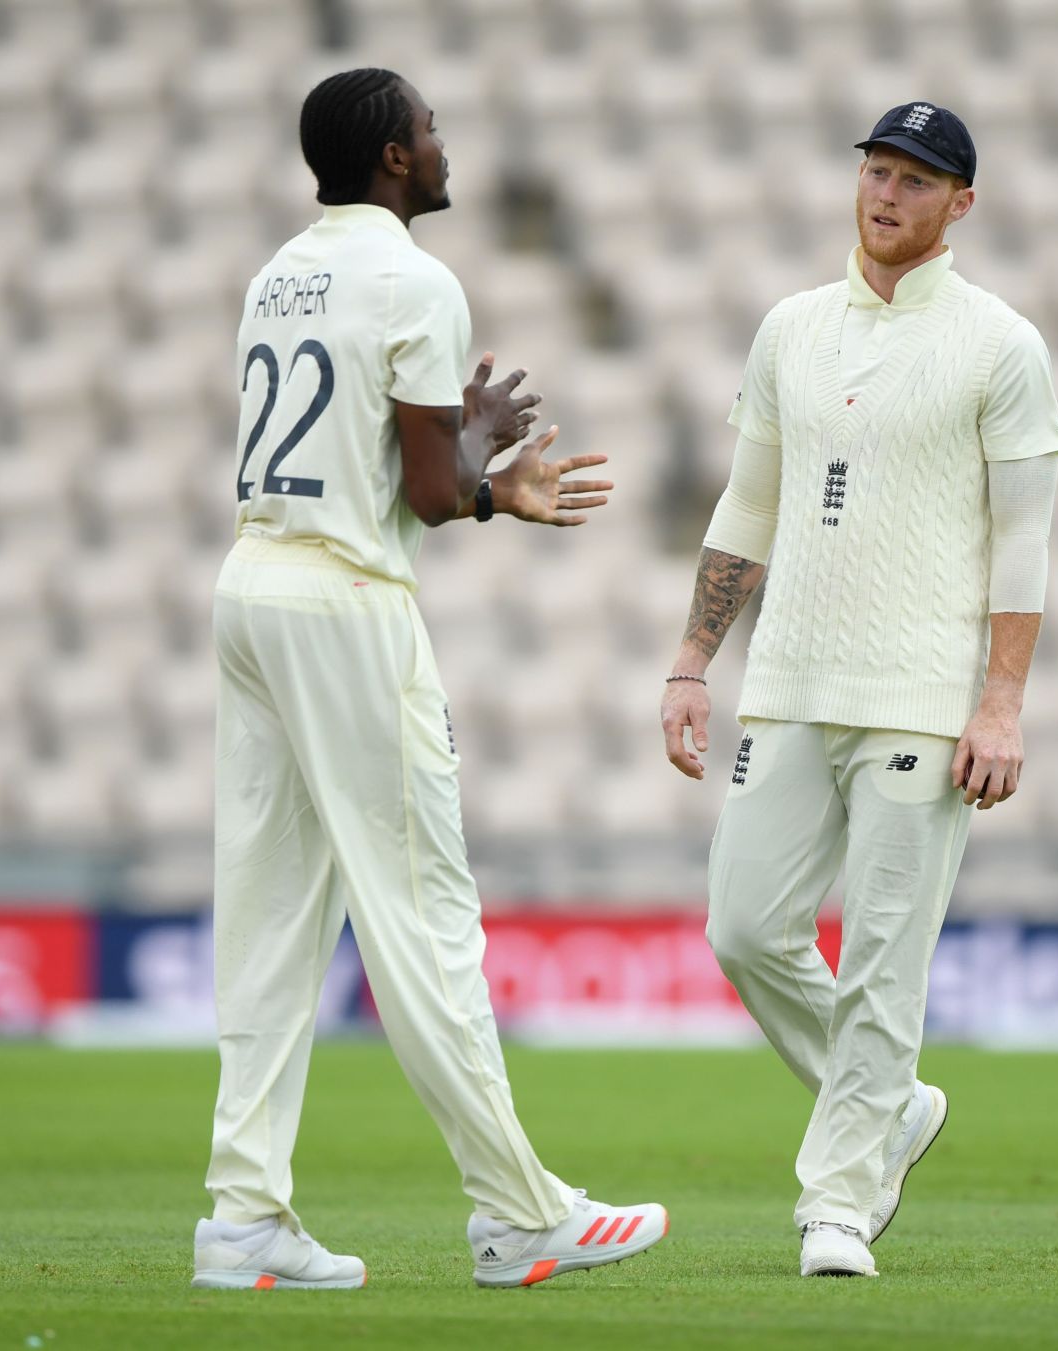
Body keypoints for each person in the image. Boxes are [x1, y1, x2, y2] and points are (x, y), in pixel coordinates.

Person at [193, 67, 666, 1292]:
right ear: (395, 158)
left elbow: (360, 437)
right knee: (424, 917)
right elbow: (421, 494)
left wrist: (456, 427)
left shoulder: (278, 270)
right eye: (431, 128)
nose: (444, 144)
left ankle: (243, 1215)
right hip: (349, 605)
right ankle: (519, 1216)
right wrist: (489, 478)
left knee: (270, 917)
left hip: (251, 586)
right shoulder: (416, 278)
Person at [659, 101, 1058, 1278]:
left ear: (961, 205)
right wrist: (692, 662)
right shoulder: (791, 327)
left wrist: (1000, 704)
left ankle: (837, 1203)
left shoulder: (1001, 343)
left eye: (916, 179)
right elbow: (748, 506)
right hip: (787, 679)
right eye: (876, 171)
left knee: (887, 955)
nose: (886, 193)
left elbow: (1022, 544)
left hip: (923, 698)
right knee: (743, 927)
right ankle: (892, 1107)